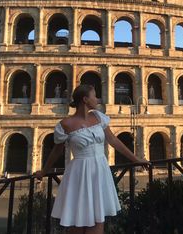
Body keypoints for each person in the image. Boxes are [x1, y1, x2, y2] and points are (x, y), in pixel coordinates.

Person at [34, 84, 149, 234]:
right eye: (94, 96)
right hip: (79, 174)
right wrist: (43, 171)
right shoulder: (65, 124)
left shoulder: (99, 117)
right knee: (77, 222)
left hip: (100, 171)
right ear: (85, 99)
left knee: (97, 219)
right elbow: (57, 152)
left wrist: (136, 160)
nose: (97, 99)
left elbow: (114, 141)